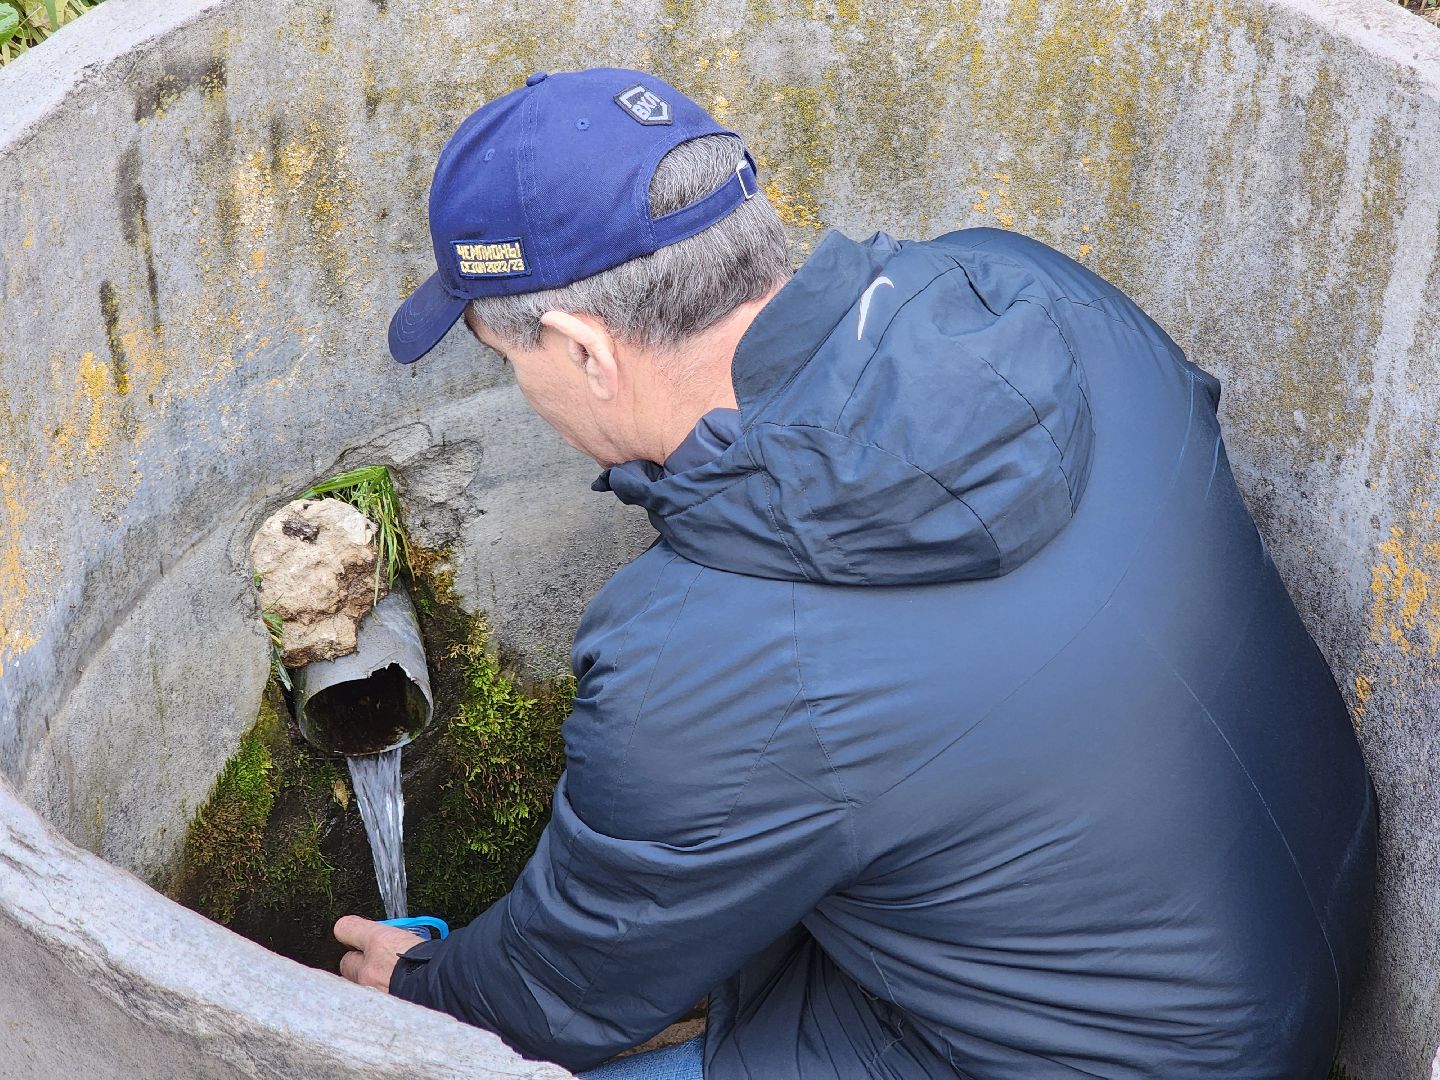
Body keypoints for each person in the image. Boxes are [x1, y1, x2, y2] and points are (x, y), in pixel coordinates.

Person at [335, 67, 1377, 1079]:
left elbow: (560, 996)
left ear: (583, 348)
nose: (521, 393)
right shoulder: (1019, 285)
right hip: (1306, 919)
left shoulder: (707, 652)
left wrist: (427, 991)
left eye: (505, 360)